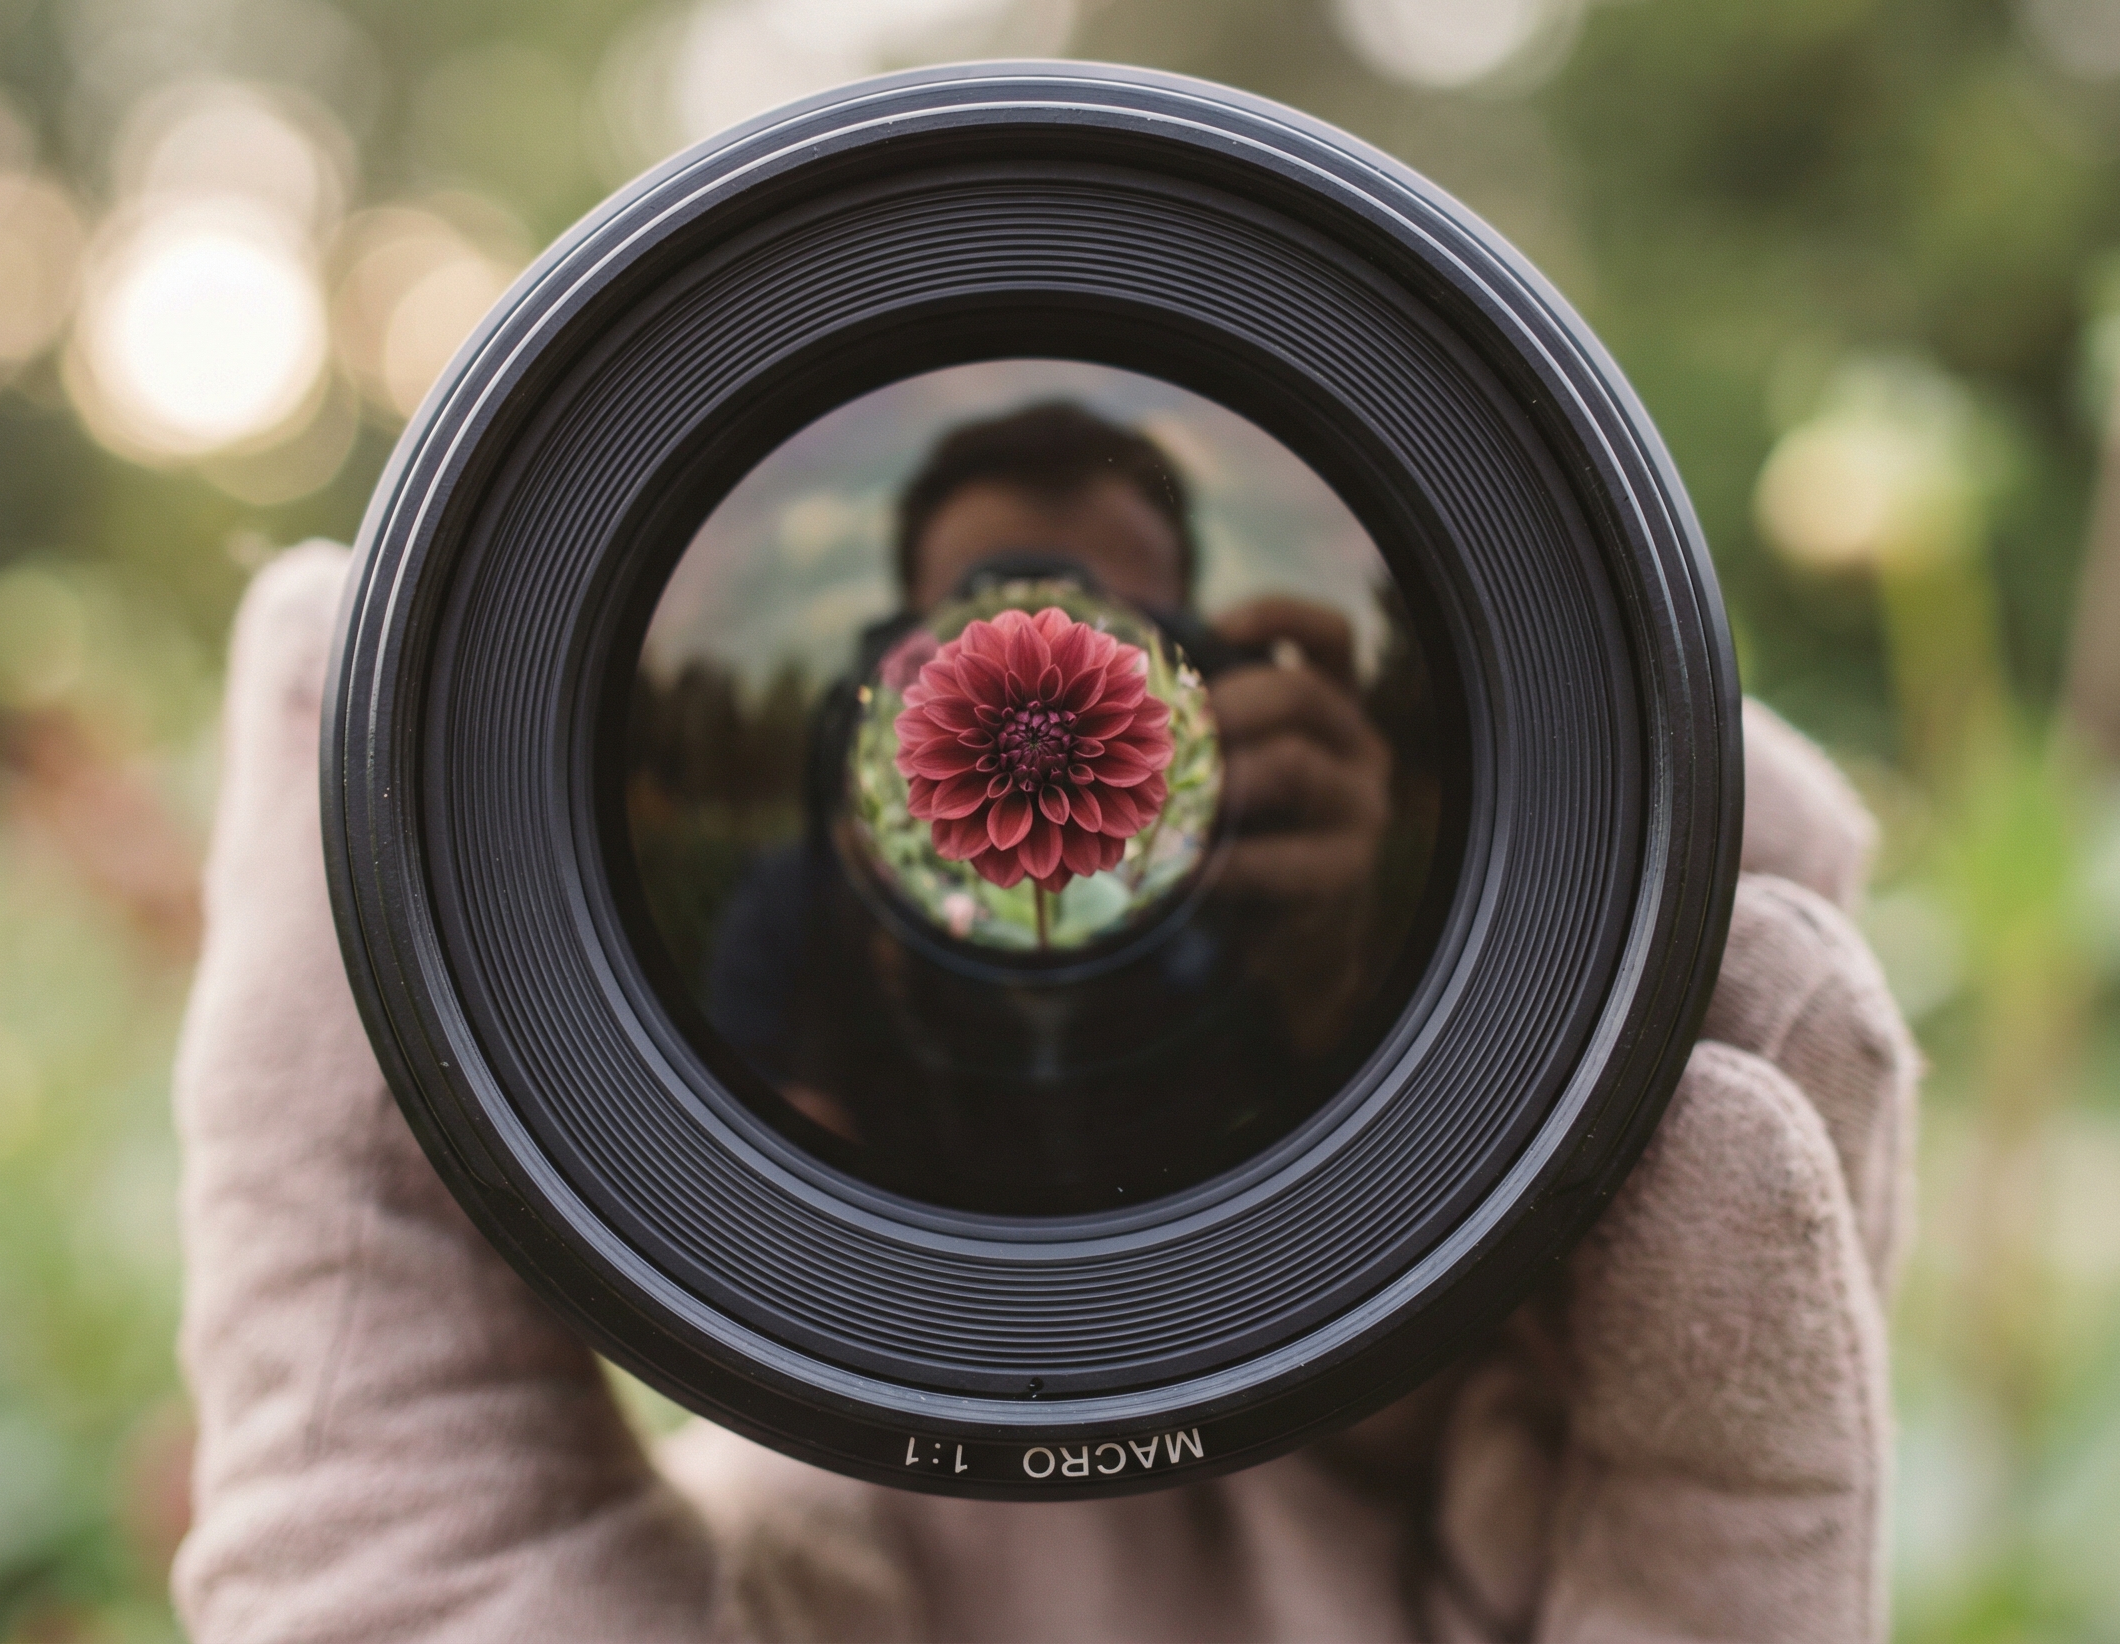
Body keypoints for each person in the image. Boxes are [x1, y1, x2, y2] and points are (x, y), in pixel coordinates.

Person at [175, 527, 1915, 1641]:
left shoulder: (1318, 892)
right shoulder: (793, 905)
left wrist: (1383, 937)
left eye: (1158, 613)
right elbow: (676, 1106)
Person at [695, 402, 1403, 1212]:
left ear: (1205, 669)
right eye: (976, 635)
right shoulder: (799, 909)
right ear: (890, 669)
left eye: (1120, 641)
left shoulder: (1271, 896)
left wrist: (1341, 998)